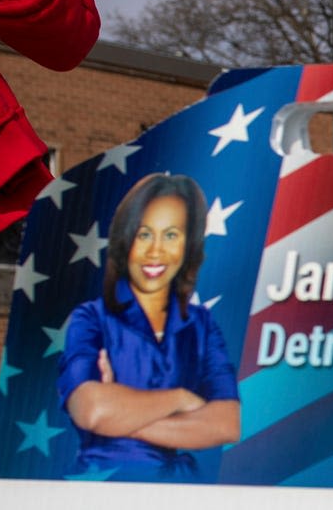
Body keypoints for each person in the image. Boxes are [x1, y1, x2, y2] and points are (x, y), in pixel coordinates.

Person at [57, 172, 240, 478]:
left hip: (181, 494)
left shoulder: (202, 325)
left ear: (188, 245)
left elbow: (226, 424)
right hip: (102, 487)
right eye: (143, 234)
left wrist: (123, 415)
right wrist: (181, 399)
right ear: (124, 241)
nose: (155, 250)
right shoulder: (90, 319)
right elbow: (92, 411)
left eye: (171, 235)